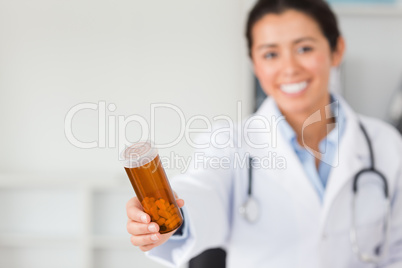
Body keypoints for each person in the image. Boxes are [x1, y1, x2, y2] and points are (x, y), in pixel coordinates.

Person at [125, 0, 402, 267]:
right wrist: (169, 218)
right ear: (255, 64)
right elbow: (202, 192)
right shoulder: (228, 143)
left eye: (304, 49)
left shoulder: (386, 145)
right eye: (270, 54)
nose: (290, 68)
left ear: (336, 50)